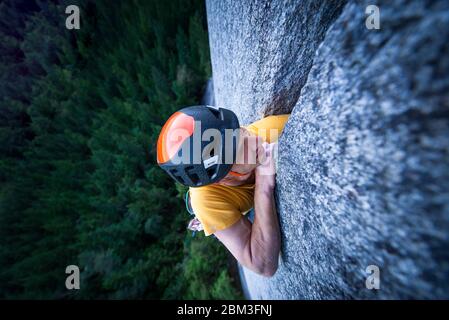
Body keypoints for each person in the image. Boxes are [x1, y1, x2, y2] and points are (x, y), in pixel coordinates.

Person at [157, 105, 289, 277]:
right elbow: (263, 265)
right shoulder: (206, 201)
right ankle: (201, 219)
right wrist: (263, 187)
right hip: (212, 201)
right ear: (223, 177)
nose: (257, 140)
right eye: (241, 149)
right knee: (203, 209)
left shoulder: (269, 131)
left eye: (242, 132)